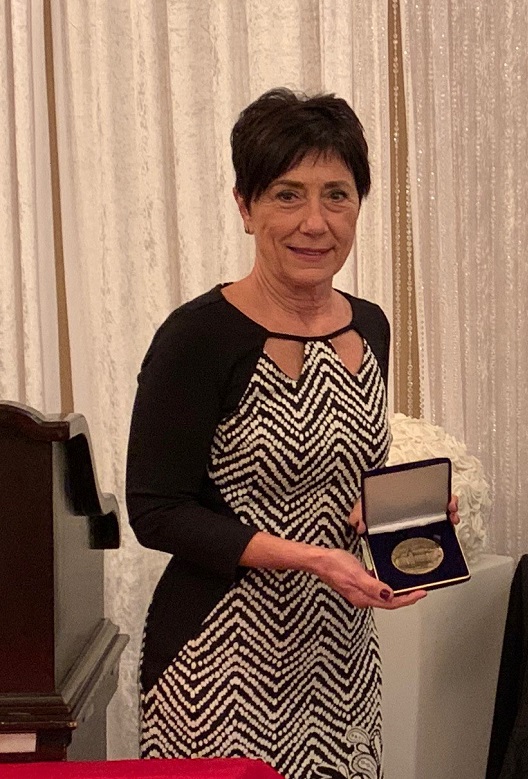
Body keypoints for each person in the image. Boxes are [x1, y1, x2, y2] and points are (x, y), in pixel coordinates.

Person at [126, 88, 455, 778]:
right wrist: (309, 557)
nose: (315, 222)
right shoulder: (197, 337)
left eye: (337, 195)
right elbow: (156, 511)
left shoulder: (369, 325)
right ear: (245, 207)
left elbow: (341, 467)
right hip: (220, 660)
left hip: (341, 655)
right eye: (287, 195)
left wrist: (401, 512)